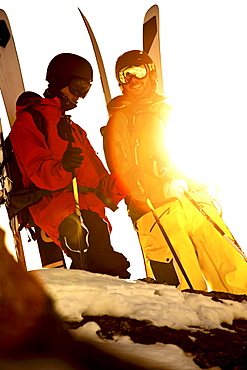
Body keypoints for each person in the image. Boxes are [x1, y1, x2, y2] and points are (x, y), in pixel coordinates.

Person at [103, 49, 247, 293]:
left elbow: (193, 150)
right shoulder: (120, 120)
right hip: (155, 208)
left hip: (192, 198)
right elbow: (122, 169)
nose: (133, 80)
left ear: (151, 73)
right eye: (126, 75)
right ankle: (195, 329)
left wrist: (205, 183)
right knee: (185, 285)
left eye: (137, 72)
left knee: (231, 264)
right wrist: (159, 188)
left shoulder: (169, 113)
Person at [10, 53, 130, 278]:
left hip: (91, 211)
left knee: (96, 261)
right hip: (58, 209)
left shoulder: (75, 129)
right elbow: (38, 171)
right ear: (58, 81)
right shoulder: (30, 120)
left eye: (86, 90)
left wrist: (128, 182)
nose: (80, 97)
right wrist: (64, 167)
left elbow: (100, 180)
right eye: (77, 87)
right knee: (107, 263)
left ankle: (86, 301)